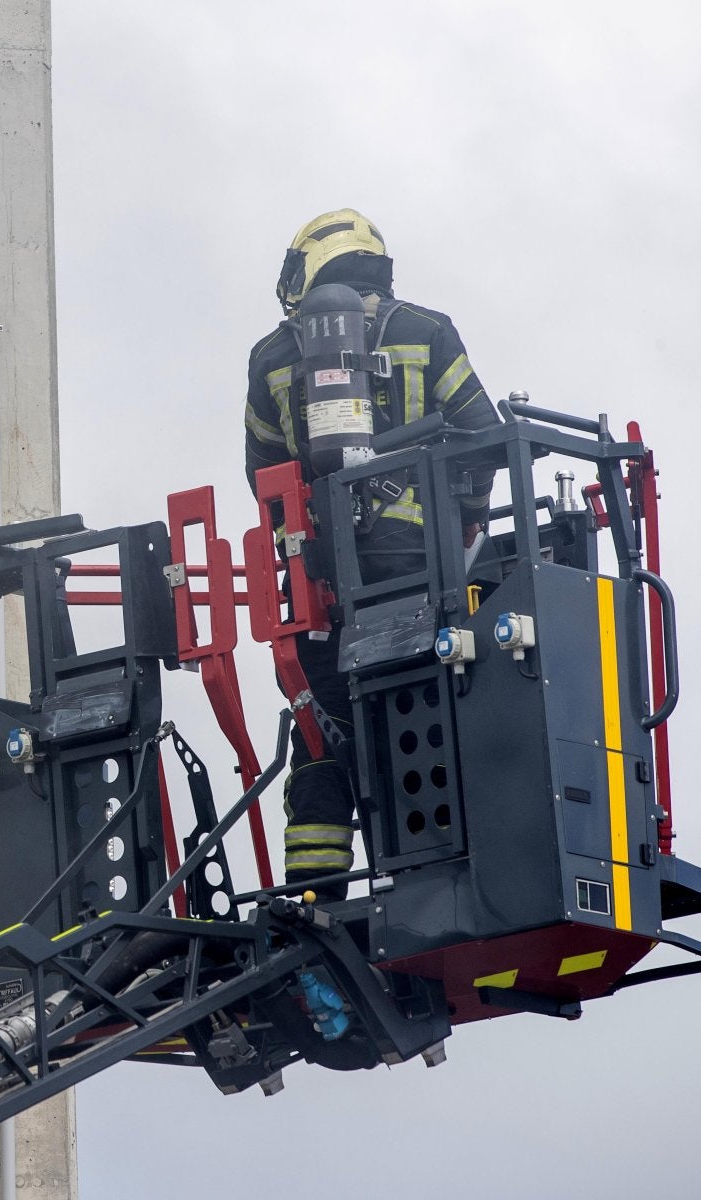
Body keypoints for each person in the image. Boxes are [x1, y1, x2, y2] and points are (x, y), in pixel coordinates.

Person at [243, 209, 499, 895]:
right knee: (429, 718)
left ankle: (312, 905)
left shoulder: (271, 358)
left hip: (326, 595)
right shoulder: (426, 331)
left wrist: (311, 554)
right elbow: (483, 439)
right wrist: (464, 527)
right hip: (422, 581)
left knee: (321, 745)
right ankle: (434, 882)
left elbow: (265, 481)